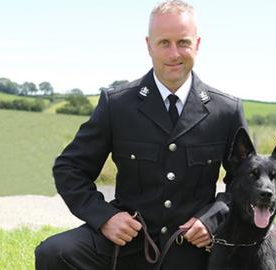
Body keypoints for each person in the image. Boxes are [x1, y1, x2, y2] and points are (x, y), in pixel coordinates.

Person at [35, 1, 247, 269]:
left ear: (197, 44)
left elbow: (245, 182)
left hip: (194, 246)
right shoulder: (118, 104)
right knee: (54, 253)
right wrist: (104, 217)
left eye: (183, 42)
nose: (174, 53)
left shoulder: (226, 110)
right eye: (164, 43)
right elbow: (70, 168)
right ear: (149, 45)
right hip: (129, 243)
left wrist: (214, 219)